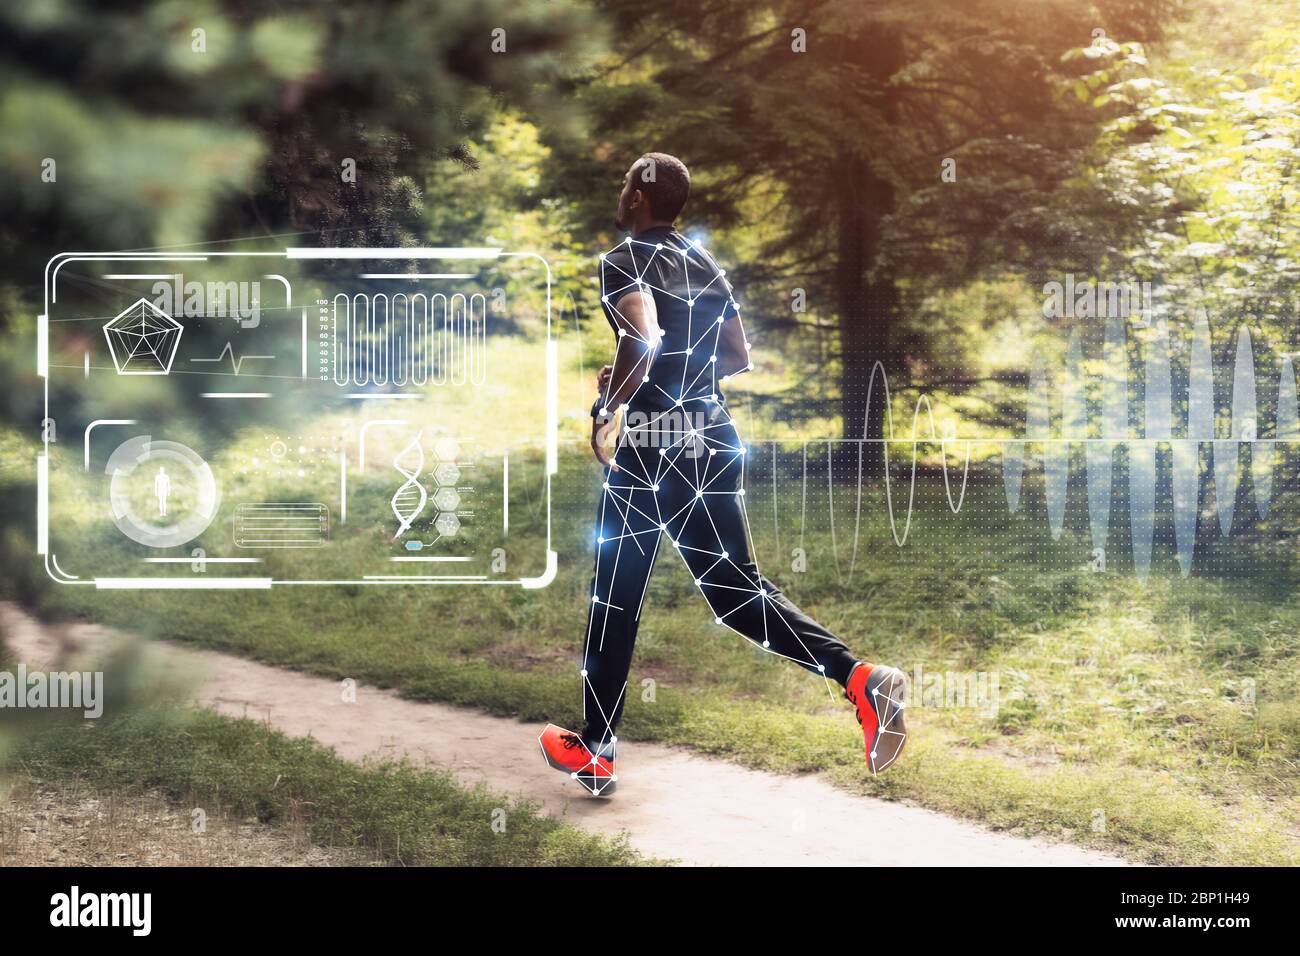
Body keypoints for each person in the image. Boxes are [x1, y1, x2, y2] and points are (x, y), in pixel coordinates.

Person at [539, 153, 907, 795]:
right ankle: (861, 679)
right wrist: (649, 374)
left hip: (655, 443)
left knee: (615, 594)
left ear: (639, 198)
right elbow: (735, 354)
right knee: (735, 593)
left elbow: (645, 341)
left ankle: (597, 749)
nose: (621, 192)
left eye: (627, 183)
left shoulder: (623, 260)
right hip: (712, 433)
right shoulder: (705, 265)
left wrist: (611, 403)